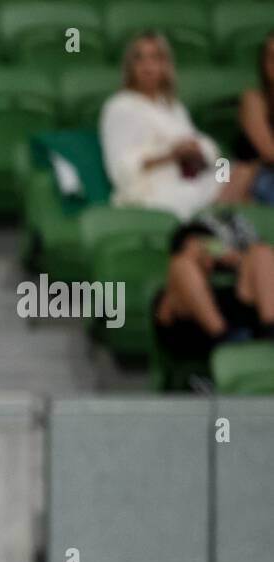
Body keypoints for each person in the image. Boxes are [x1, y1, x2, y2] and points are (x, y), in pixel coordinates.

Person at [99, 32, 248, 220]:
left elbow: (202, 144)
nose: (147, 66)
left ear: (165, 65)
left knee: (239, 172)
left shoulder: (174, 107)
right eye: (139, 58)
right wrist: (169, 155)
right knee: (240, 187)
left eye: (155, 58)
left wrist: (195, 149)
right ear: (130, 66)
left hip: (191, 178)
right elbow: (119, 169)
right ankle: (213, 223)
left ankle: (217, 222)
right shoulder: (119, 106)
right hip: (152, 190)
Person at [154, 219, 274, 371]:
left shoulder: (220, 292)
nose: (212, 251)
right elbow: (184, 261)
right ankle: (234, 348)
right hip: (209, 343)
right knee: (183, 265)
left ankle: (270, 334)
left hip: (251, 337)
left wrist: (235, 258)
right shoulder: (176, 274)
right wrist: (200, 249)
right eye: (207, 244)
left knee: (261, 253)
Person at [236, 31, 274, 206]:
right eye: (271, 58)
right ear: (263, 64)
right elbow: (269, 152)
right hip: (252, 174)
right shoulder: (253, 99)